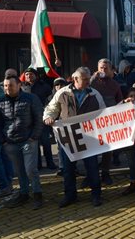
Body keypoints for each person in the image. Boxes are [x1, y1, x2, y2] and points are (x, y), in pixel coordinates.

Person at [43, 67, 106, 207]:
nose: (88, 81)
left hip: (90, 138)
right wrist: (48, 117)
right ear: (75, 79)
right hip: (68, 138)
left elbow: (103, 112)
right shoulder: (62, 93)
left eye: (88, 78)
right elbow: (52, 108)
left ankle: (96, 195)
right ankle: (70, 196)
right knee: (68, 168)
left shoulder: (95, 93)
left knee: (92, 167)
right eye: (85, 79)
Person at [0, 76, 45, 209]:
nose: (7, 88)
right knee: (19, 170)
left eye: (10, 85)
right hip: (10, 142)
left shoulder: (31, 98)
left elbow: (39, 119)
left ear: (19, 85)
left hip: (28, 140)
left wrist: (34, 136)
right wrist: (3, 141)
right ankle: (24, 193)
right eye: (5, 86)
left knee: (30, 169)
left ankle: (37, 194)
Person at [90, 58, 124, 183]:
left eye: (105, 68)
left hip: (108, 123)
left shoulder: (115, 85)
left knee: (107, 150)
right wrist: (93, 77)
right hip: (92, 122)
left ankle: (105, 173)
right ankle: (91, 175)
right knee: (91, 149)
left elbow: (120, 102)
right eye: (101, 68)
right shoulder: (91, 82)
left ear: (110, 70)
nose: (103, 70)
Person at [22, 67, 56, 170]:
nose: (29, 76)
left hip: (42, 117)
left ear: (36, 75)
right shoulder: (21, 87)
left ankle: (50, 163)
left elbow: (50, 100)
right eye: (27, 74)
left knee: (45, 141)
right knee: (33, 143)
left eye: (31, 74)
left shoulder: (43, 86)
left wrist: (46, 111)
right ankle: (38, 165)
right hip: (29, 119)